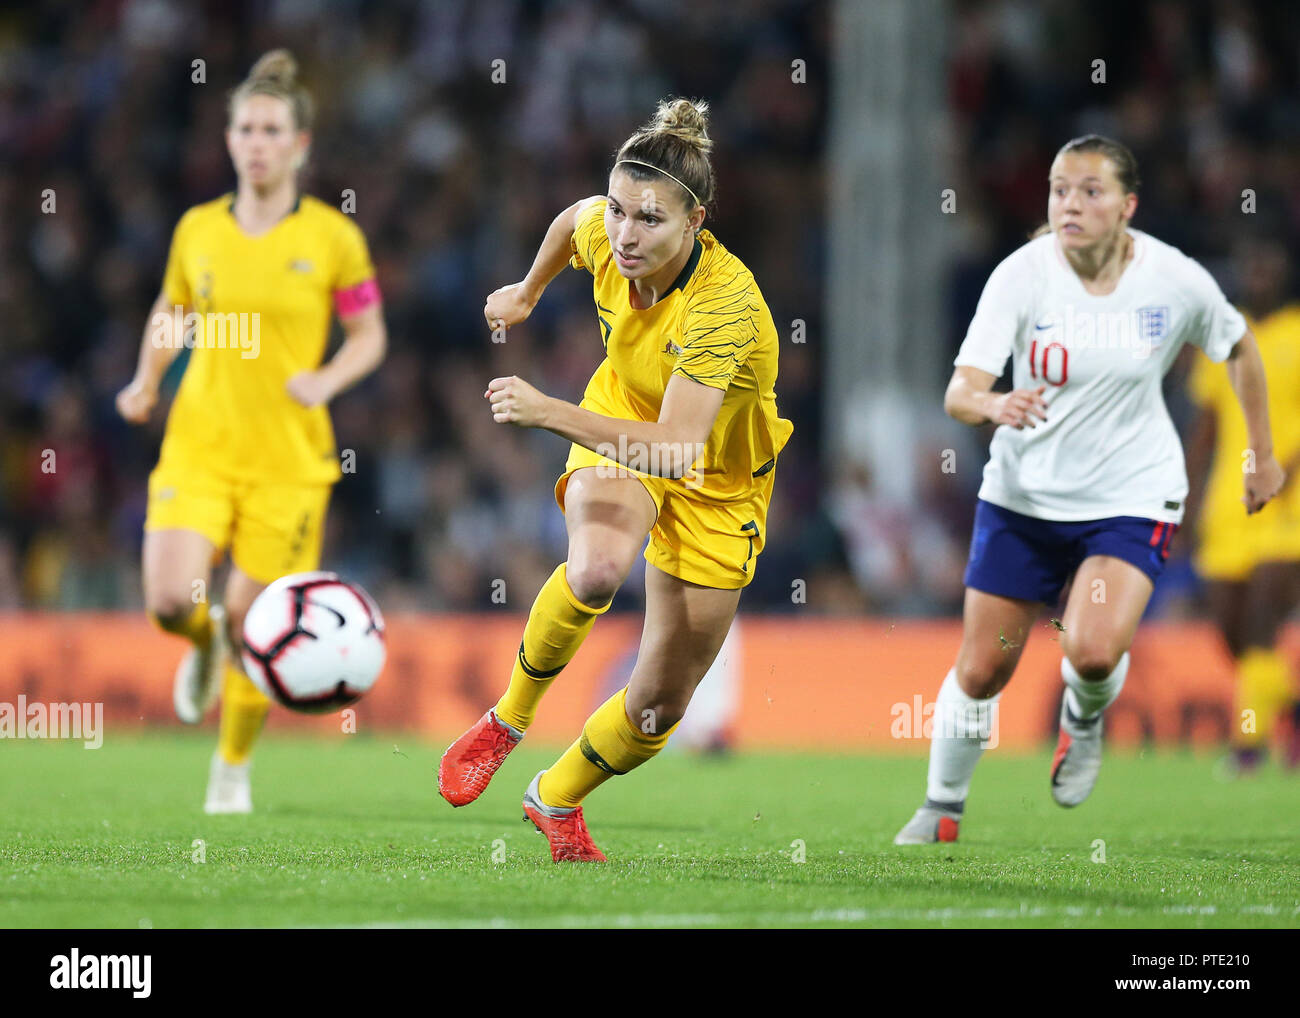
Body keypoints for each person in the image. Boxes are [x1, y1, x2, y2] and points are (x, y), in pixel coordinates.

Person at [894, 135, 1284, 844]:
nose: (1070, 203)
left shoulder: (1174, 279)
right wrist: (994, 405)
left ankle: (1084, 716)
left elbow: (1241, 348)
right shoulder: (1020, 276)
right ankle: (942, 807)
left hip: (1131, 497)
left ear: (1128, 205)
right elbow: (961, 390)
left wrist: (1260, 456)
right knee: (983, 670)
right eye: (1059, 189)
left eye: (1090, 191)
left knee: (1094, 652)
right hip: (1024, 498)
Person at [436, 97, 792, 861]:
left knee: (661, 708)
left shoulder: (726, 305)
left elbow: (675, 450)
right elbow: (574, 218)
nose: (626, 234)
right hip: (625, 411)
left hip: (712, 475)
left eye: (651, 220)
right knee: (596, 570)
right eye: (623, 211)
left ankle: (554, 796)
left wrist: (550, 412)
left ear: (696, 221)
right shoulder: (604, 226)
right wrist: (529, 291)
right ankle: (508, 719)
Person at [115, 50, 387, 813]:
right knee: (172, 601)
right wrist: (145, 379)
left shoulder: (334, 239)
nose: (256, 142)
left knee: (250, 617)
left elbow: (369, 335)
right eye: (245, 128)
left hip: (289, 464)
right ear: (229, 139)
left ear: (300, 145)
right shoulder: (197, 229)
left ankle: (231, 769)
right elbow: (172, 312)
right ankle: (199, 650)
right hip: (199, 446)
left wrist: (327, 379)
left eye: (272, 129)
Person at [1186, 234, 1300, 774]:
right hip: (1227, 504)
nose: (1259, 271)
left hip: (1289, 504)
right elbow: (1205, 426)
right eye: (1251, 260)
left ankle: (1247, 745)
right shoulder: (1224, 333)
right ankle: (1291, 711)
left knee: (1260, 619)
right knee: (1232, 632)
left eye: (1268, 260)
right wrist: (1182, 497)